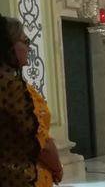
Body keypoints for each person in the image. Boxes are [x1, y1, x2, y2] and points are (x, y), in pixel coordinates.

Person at [0, 15, 63, 186]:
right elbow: (39, 143)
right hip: (23, 178)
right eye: (25, 42)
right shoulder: (10, 88)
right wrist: (57, 167)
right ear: (9, 46)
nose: (29, 48)